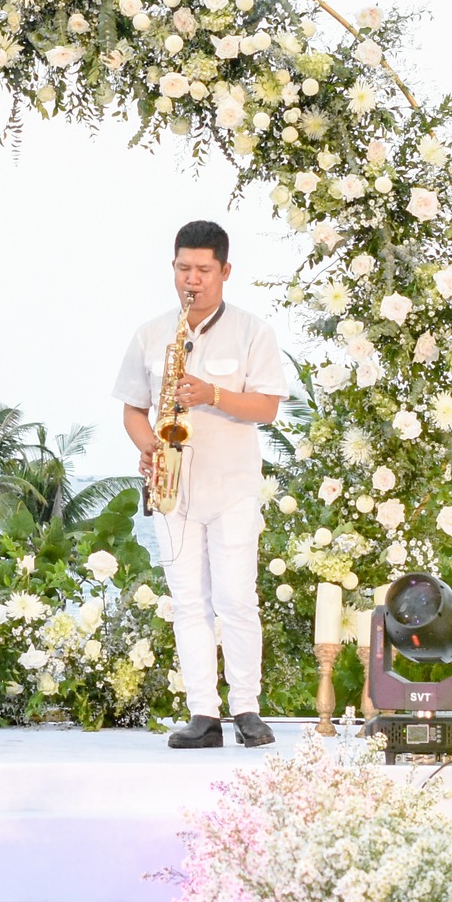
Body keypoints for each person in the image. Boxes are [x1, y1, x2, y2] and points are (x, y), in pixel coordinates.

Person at [115, 220, 286, 749]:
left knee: (236, 599)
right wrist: (150, 449)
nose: (193, 280)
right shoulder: (151, 333)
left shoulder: (253, 331)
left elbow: (268, 408)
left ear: (225, 272)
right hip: (174, 489)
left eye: (204, 270)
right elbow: (132, 410)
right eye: (184, 269)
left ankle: (247, 709)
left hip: (233, 487)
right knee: (188, 602)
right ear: (173, 268)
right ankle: (202, 714)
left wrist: (211, 393)